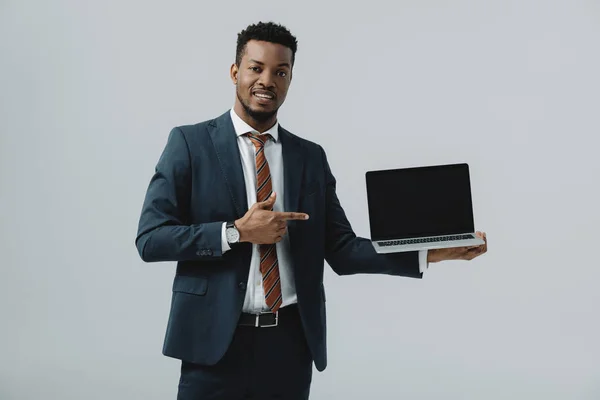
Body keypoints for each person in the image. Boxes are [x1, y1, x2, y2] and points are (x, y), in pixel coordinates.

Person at [135, 21, 488, 400]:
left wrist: (430, 253)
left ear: (290, 79)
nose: (267, 80)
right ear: (235, 72)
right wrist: (236, 231)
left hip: (289, 346)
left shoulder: (310, 157)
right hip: (213, 345)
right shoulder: (189, 143)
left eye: (280, 72)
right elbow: (150, 239)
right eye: (256, 68)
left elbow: (343, 249)